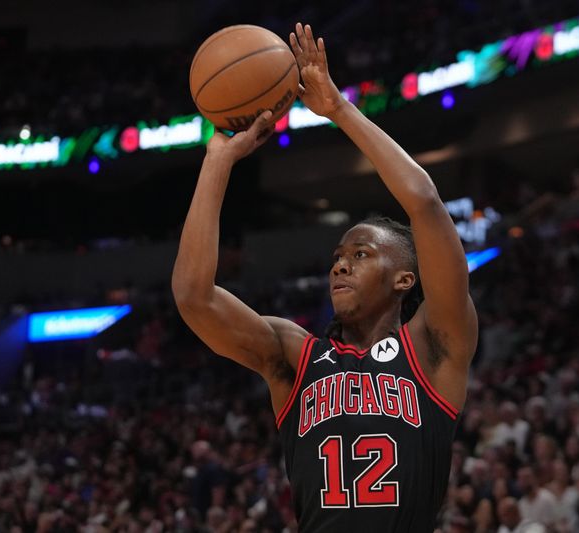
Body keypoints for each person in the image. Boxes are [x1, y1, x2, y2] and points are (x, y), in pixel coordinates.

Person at [172, 22, 478, 532]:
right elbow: (193, 297)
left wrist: (338, 109)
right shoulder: (296, 356)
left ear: (406, 279)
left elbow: (423, 201)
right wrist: (218, 164)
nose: (340, 264)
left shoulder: (434, 347)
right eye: (338, 255)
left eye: (361, 254)